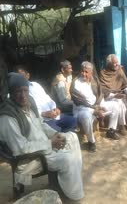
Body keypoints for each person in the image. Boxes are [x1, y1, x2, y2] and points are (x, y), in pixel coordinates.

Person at [0, 73, 84, 201]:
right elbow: (20, 148)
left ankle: (65, 184)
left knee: (72, 136)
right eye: (18, 92)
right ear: (11, 93)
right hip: (31, 158)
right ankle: (73, 196)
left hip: (44, 145)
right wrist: (50, 143)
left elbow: (41, 124)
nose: (23, 95)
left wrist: (55, 134)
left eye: (25, 90)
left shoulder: (29, 103)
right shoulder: (8, 117)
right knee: (68, 159)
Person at [71, 61, 120, 152]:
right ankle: (91, 142)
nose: (83, 74)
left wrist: (100, 105)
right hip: (81, 110)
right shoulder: (76, 83)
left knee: (115, 105)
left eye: (86, 72)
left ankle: (111, 131)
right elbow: (79, 102)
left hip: (96, 106)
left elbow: (100, 94)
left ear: (91, 73)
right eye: (82, 71)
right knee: (86, 116)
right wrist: (95, 110)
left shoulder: (94, 79)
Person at [14, 65, 77, 133]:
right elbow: (27, 112)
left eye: (22, 76)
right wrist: (43, 113)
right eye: (18, 77)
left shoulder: (35, 85)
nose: (20, 79)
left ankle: (65, 139)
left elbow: (47, 98)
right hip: (42, 120)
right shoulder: (17, 93)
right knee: (57, 131)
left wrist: (55, 109)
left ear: (28, 75)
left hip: (54, 115)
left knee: (73, 121)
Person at [99, 54, 127, 134]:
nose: (117, 64)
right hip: (108, 96)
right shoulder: (103, 73)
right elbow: (103, 90)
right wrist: (114, 95)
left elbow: (126, 84)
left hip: (119, 93)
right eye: (114, 63)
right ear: (109, 64)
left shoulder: (119, 70)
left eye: (117, 62)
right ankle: (121, 125)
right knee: (119, 103)